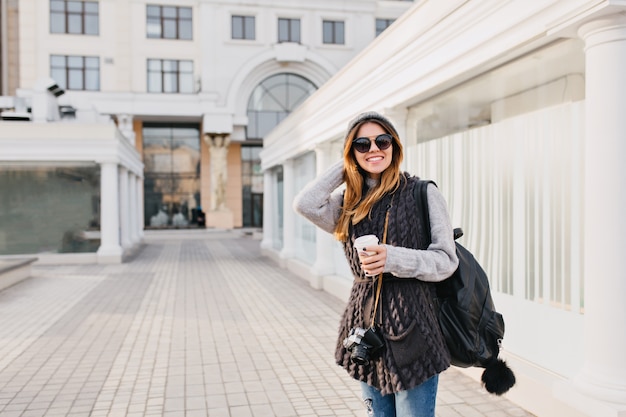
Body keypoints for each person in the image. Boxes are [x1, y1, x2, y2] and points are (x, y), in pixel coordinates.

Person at [293, 111, 459, 417]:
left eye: (382, 141)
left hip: (415, 334)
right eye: (362, 144)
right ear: (351, 152)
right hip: (366, 334)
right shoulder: (347, 203)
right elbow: (305, 203)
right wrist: (346, 168)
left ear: (394, 146)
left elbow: (446, 261)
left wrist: (393, 258)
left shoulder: (423, 193)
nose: (374, 149)